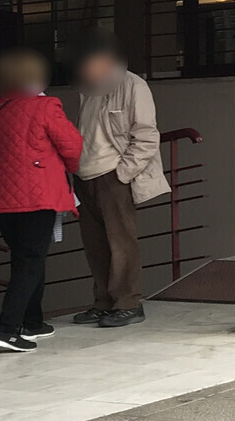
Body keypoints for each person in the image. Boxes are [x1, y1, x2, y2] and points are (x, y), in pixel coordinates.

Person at [0, 48, 82, 352]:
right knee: (31, 260)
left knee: (25, 257)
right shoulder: (45, 107)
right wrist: (64, 170)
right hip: (38, 195)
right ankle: (6, 329)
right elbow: (73, 147)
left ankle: (33, 321)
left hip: (0, 199)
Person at [71, 36, 169, 329]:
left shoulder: (132, 85)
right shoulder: (87, 87)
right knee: (95, 245)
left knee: (121, 243)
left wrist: (122, 174)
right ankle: (104, 303)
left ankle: (128, 303)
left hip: (113, 175)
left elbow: (147, 135)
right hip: (84, 174)